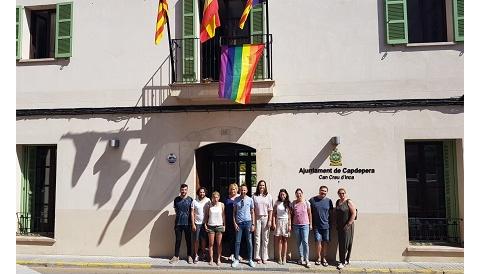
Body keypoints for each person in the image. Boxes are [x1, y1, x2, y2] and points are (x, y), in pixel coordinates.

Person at [231, 184, 256, 268]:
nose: (243, 191)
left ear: (247, 191)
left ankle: (250, 259)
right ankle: (236, 259)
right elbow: (234, 213)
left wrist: (253, 224)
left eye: (244, 190)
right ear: (240, 190)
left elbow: (252, 212)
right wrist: (234, 223)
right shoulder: (236, 200)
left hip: (248, 223)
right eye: (242, 190)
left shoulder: (250, 200)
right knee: (237, 242)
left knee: (249, 241)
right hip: (239, 224)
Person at [309, 185, 333, 266]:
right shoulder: (312, 200)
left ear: (327, 192)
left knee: (325, 242)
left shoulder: (329, 201)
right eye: (322, 190)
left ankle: (324, 258)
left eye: (325, 191)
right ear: (319, 191)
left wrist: (331, 224)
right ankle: (318, 258)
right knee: (318, 242)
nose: (323, 192)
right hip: (316, 226)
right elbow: (308, 211)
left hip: (326, 226)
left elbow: (331, 214)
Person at [170, 184, 194, 264]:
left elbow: (192, 212)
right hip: (178, 224)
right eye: (182, 190)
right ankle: (176, 256)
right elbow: (176, 210)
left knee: (188, 241)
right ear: (180, 190)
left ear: (187, 190)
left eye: (185, 190)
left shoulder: (190, 199)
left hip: (188, 224)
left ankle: (189, 256)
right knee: (178, 240)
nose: (183, 191)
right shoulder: (176, 199)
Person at [252, 180, 273, 264]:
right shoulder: (254, 196)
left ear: (265, 186)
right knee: (257, 238)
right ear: (258, 186)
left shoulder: (268, 196)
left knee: (265, 239)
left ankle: (264, 257)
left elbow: (270, 209)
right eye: (260, 185)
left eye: (263, 185)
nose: (261, 187)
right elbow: (252, 210)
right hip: (257, 218)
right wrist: (253, 221)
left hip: (265, 217)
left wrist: (270, 220)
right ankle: (258, 257)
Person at [335, 187, 356, 270]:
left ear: (345, 193)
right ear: (338, 194)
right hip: (340, 226)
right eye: (340, 193)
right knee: (342, 243)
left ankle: (342, 262)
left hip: (347, 226)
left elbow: (354, 213)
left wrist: (348, 224)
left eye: (343, 193)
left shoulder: (348, 201)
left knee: (346, 243)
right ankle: (346, 259)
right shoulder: (337, 202)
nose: (341, 195)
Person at [291, 188, 312, 268]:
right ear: (295, 194)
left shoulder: (306, 202)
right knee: (298, 242)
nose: (298, 195)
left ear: (302, 194)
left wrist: (311, 224)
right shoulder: (293, 203)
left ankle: (307, 260)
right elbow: (292, 214)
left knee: (305, 242)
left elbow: (310, 214)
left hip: (305, 225)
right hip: (296, 225)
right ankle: (301, 258)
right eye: (297, 193)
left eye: (300, 193)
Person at [204, 191, 225, 266]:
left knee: (219, 244)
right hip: (211, 225)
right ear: (212, 198)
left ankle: (218, 259)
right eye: (214, 197)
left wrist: (224, 225)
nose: (215, 199)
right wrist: (205, 224)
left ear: (219, 197)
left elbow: (223, 215)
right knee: (211, 243)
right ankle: (211, 259)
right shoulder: (209, 205)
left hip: (219, 225)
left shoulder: (222, 204)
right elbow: (206, 215)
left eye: (217, 197)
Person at [190, 187, 211, 263]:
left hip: (204, 223)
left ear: (205, 193)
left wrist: (207, 223)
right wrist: (193, 224)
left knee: (203, 239)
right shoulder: (194, 201)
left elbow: (209, 212)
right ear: (198, 193)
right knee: (196, 240)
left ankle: (204, 253)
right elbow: (192, 213)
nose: (202, 194)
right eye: (200, 192)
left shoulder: (208, 200)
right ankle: (196, 255)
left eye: (203, 192)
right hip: (197, 223)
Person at [271, 189, 291, 265]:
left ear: (286, 195)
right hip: (278, 221)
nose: (282, 195)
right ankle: (279, 257)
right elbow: (274, 214)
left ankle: (284, 257)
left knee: (285, 240)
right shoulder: (277, 203)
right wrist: (273, 223)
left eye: (284, 194)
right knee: (279, 240)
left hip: (286, 222)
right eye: (281, 194)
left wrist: (289, 225)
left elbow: (289, 215)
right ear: (279, 195)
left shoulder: (288, 203)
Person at [224, 183, 239, 262]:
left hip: (237, 220)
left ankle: (238, 253)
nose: (233, 190)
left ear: (237, 189)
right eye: (231, 189)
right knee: (231, 237)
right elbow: (224, 210)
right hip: (229, 220)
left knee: (238, 238)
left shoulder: (239, 198)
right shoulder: (227, 198)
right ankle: (232, 253)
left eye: (234, 189)